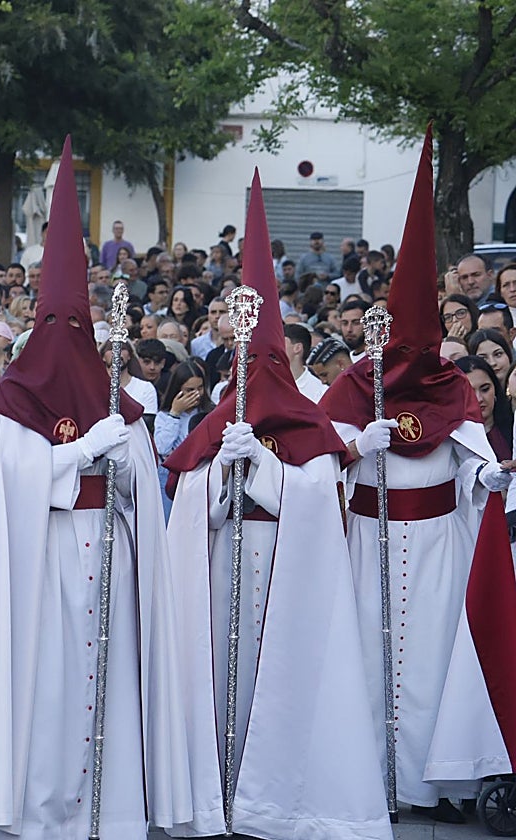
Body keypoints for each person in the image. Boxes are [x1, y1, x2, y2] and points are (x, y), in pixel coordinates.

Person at [0, 138, 189, 840]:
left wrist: (124, 465)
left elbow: (143, 492)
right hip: (38, 566)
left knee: (106, 684)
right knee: (46, 685)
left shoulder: (121, 406)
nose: (64, 340)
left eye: (75, 328)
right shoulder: (9, 406)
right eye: (53, 325)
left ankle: (108, 810)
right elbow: (6, 481)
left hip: (108, 558)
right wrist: (80, 453)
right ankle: (27, 809)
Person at [164, 172, 390, 840]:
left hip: (283, 570)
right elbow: (190, 501)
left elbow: (318, 499)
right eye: (248, 366)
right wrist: (219, 470)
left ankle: (269, 800)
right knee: (217, 673)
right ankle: (213, 792)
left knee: (277, 677)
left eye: (269, 363)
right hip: (222, 566)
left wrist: (262, 465)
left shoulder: (309, 426)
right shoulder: (217, 423)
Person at [321, 130, 511, 823]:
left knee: (431, 664)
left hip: (436, 547)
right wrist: (352, 447)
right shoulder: (355, 384)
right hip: (366, 542)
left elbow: (472, 456)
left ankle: (432, 783)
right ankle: (367, 777)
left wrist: (486, 481)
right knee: (364, 661)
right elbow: (317, 457)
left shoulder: (452, 386)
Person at [283, 322, 328, 402]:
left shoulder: (320, 391)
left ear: (297, 348)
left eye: (281, 342)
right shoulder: (267, 384)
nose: (276, 348)